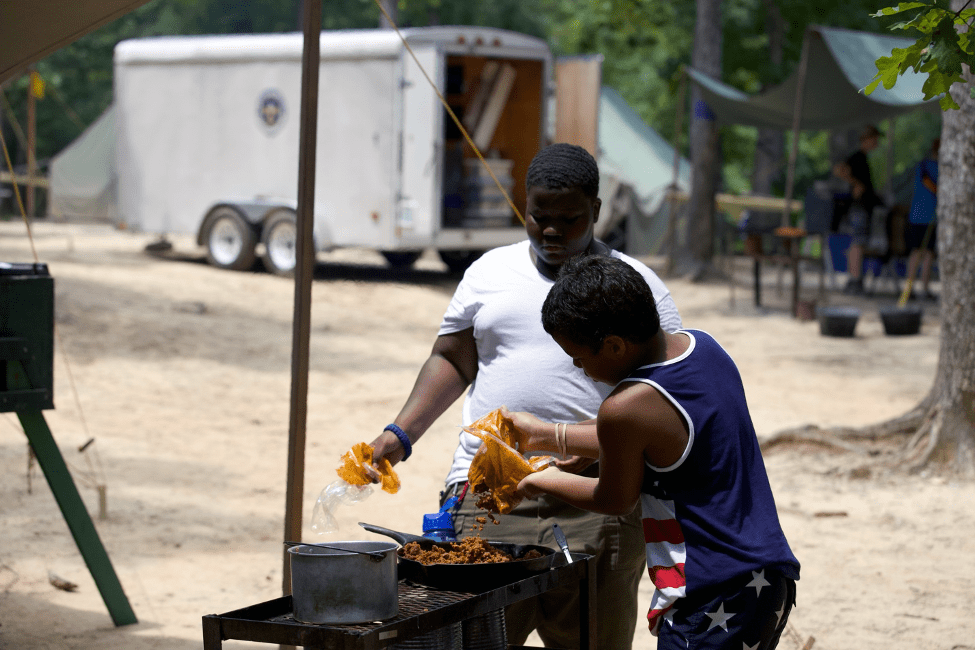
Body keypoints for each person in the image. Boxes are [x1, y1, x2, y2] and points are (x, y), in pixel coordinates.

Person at [369, 143, 683, 648]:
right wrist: (401, 434)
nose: (552, 230)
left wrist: (565, 447)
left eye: (570, 218)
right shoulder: (488, 273)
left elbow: (662, 400)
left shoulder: (636, 286)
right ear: (524, 206)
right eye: (539, 216)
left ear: (597, 211)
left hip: (596, 501)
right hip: (488, 497)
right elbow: (454, 358)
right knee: (473, 641)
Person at [514, 253, 800, 649]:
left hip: (710, 590)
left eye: (579, 359)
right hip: (765, 578)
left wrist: (547, 480)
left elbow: (614, 497)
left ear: (613, 346)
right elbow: (664, 435)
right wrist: (549, 436)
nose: (580, 369)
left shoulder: (624, 407)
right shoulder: (704, 348)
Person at [832, 124, 884, 294]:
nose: (876, 143)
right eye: (874, 139)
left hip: (865, 206)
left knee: (860, 242)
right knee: (858, 242)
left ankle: (856, 278)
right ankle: (854, 279)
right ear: (866, 140)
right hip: (858, 207)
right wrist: (855, 183)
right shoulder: (857, 157)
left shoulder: (865, 159)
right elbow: (839, 170)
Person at [903, 138, 940, 301]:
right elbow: (932, 186)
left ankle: (910, 289)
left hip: (917, 215)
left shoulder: (923, 165)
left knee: (918, 252)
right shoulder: (934, 166)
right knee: (926, 253)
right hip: (928, 216)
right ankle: (919, 289)